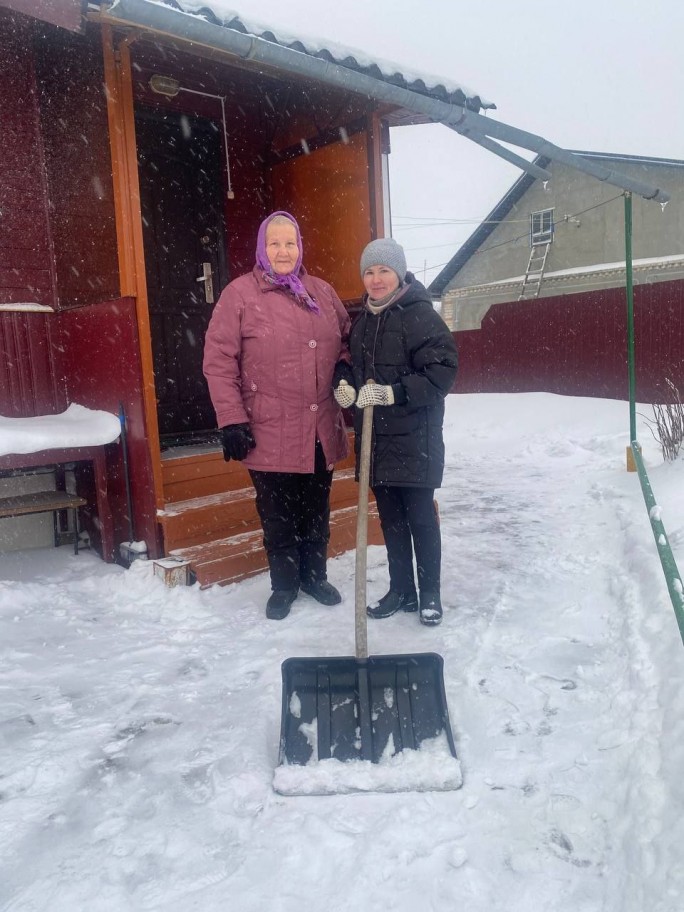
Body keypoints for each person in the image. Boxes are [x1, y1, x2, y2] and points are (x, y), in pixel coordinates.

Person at [203, 211, 351, 620]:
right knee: (278, 513)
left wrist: (344, 367)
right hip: (268, 427)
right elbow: (218, 361)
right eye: (274, 243)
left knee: (316, 507)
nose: (283, 251)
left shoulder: (322, 292)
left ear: (300, 247)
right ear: (261, 249)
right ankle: (284, 585)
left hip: (319, 425)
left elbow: (346, 341)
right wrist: (231, 419)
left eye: (290, 243)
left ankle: (314, 577)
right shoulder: (240, 295)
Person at [333, 238, 458, 626]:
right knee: (391, 520)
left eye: (383, 270)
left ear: (399, 272)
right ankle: (402, 589)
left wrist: (394, 392)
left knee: (421, 518)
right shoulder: (363, 321)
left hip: (415, 438)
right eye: (369, 272)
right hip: (376, 441)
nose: (376, 279)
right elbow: (349, 362)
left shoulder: (420, 315)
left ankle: (430, 594)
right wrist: (343, 383)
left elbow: (442, 372)